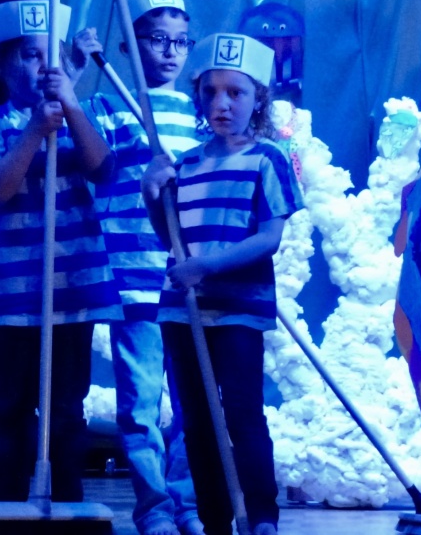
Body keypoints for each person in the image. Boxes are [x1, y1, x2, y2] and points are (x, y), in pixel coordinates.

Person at [143, 32, 303, 535]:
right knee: (197, 420)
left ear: (258, 99)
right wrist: (151, 194)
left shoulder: (267, 158)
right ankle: (215, 520)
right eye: (211, 92)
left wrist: (206, 267)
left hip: (237, 310)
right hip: (182, 310)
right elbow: (171, 238)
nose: (222, 103)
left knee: (241, 413)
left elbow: (269, 238)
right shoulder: (185, 164)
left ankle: (261, 516)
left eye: (236, 92)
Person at [0, 0, 121, 502]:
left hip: (72, 291)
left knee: (66, 410)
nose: (42, 67)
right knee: (8, 407)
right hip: (12, 294)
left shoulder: (84, 114)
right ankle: (8, 510)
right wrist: (35, 129)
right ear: (2, 63)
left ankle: (70, 507)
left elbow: (104, 170)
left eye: (50, 56)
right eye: (30, 56)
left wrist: (71, 106)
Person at [73, 0, 203, 535]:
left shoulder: (200, 112)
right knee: (140, 404)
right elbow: (92, 164)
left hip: (187, 276)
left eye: (180, 40)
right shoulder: (107, 107)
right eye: (156, 39)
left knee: (194, 401)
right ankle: (154, 508)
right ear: (128, 46)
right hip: (132, 276)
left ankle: (190, 504)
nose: (170, 51)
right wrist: (76, 67)